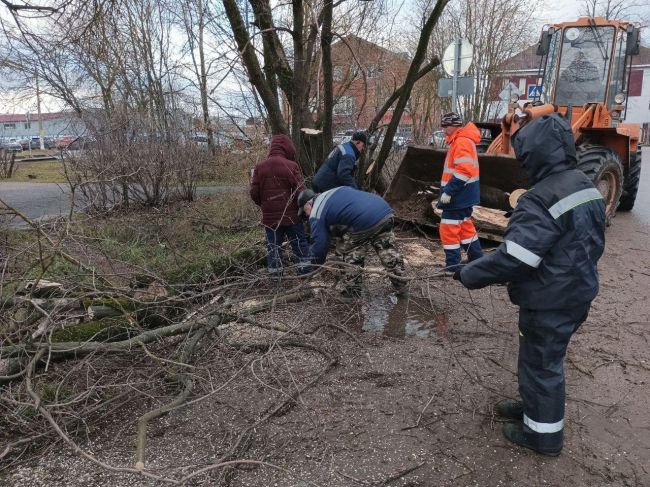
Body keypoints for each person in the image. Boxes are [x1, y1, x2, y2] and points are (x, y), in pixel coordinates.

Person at [454, 113, 606, 456]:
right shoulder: (585, 185)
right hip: (574, 292)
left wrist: (470, 273)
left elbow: (515, 259)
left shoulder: (541, 198)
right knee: (540, 360)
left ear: (536, 154)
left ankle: (543, 437)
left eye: (524, 156)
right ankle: (533, 409)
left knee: (542, 365)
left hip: (549, 300)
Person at [296, 187, 406, 296]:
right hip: (384, 211)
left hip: (363, 220)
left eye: (304, 211)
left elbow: (319, 246)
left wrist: (308, 269)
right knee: (387, 251)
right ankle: (402, 286)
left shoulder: (316, 212)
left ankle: (353, 292)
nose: (306, 215)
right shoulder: (331, 192)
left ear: (308, 204)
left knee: (345, 253)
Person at [250, 134, 311, 276]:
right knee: (299, 243)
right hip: (292, 217)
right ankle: (304, 272)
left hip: (270, 219)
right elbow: (300, 191)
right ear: (287, 148)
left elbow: (254, 193)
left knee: (273, 247)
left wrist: (265, 205)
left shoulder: (259, 167)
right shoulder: (291, 166)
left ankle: (276, 276)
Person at [436, 112, 483, 272]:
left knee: (448, 228)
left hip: (458, 195)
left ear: (455, 126)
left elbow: (464, 170)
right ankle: (477, 260)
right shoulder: (462, 140)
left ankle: (453, 266)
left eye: (446, 126)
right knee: (465, 227)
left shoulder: (461, 142)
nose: (444, 129)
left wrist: (449, 192)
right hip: (465, 195)